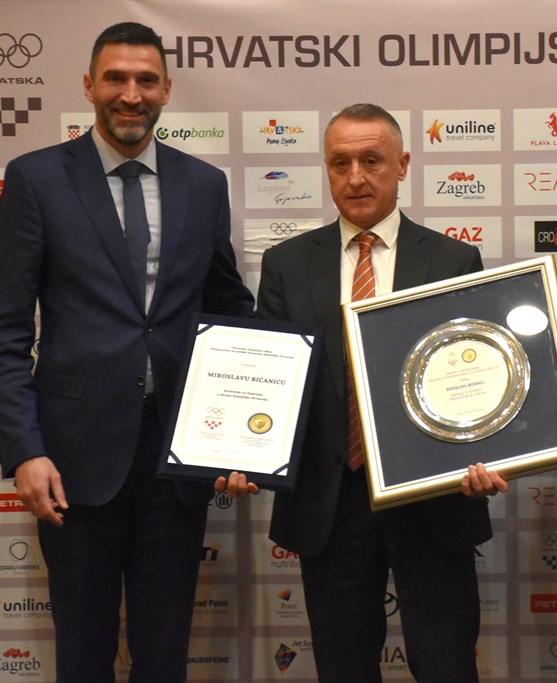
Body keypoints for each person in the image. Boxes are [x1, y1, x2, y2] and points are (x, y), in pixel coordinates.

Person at [0, 22, 254, 682]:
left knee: (164, 654)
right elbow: (7, 333)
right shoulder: (36, 178)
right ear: (89, 85)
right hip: (73, 460)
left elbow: (228, 311)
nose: (131, 95)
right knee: (83, 653)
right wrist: (24, 450)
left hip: (178, 457)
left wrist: (245, 433)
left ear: (166, 89)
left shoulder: (204, 184)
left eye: (145, 80)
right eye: (116, 79)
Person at [217, 103, 507, 682]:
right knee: (343, 668)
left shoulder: (453, 259)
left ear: (402, 165)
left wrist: (487, 452)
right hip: (331, 501)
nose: (355, 177)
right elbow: (269, 380)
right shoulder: (287, 264)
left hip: (434, 497)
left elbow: (477, 378)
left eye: (371, 161)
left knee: (447, 665)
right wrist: (242, 451)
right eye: (340, 163)